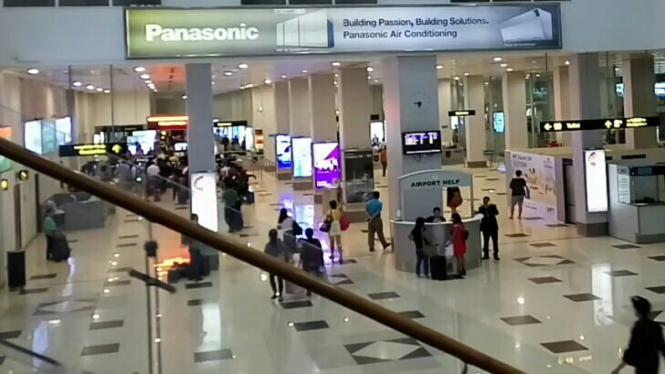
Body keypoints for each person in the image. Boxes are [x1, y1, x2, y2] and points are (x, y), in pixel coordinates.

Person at [612, 296, 665, 374]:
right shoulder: (656, 327)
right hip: (653, 365)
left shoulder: (638, 328)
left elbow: (632, 351)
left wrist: (618, 368)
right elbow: (662, 349)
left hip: (642, 366)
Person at [264, 229, 289, 301]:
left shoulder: (269, 246)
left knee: (275, 278)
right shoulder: (279, 243)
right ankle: (278, 293)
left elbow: (265, 256)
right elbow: (286, 252)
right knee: (278, 279)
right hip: (277, 264)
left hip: (274, 264)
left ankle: (276, 293)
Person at [300, 228, 325, 297]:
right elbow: (320, 252)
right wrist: (322, 262)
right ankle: (319, 288)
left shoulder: (304, 243)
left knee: (307, 277)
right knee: (317, 276)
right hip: (316, 262)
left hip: (307, 262)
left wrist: (301, 260)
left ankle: (309, 290)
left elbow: (303, 254)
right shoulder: (317, 242)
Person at [478, 196, 500, 260]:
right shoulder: (481, 208)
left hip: (493, 227)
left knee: (495, 241)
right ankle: (486, 254)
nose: (485, 202)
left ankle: (496, 253)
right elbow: (480, 216)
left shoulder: (492, 207)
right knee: (486, 241)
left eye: (486, 200)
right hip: (485, 228)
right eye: (485, 201)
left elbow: (497, 213)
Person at [449, 213, 467, 278]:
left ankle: (460, 271)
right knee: (461, 256)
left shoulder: (456, 226)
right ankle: (463, 269)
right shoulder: (461, 225)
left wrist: (450, 242)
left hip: (457, 242)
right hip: (462, 242)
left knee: (458, 257)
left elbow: (454, 235)